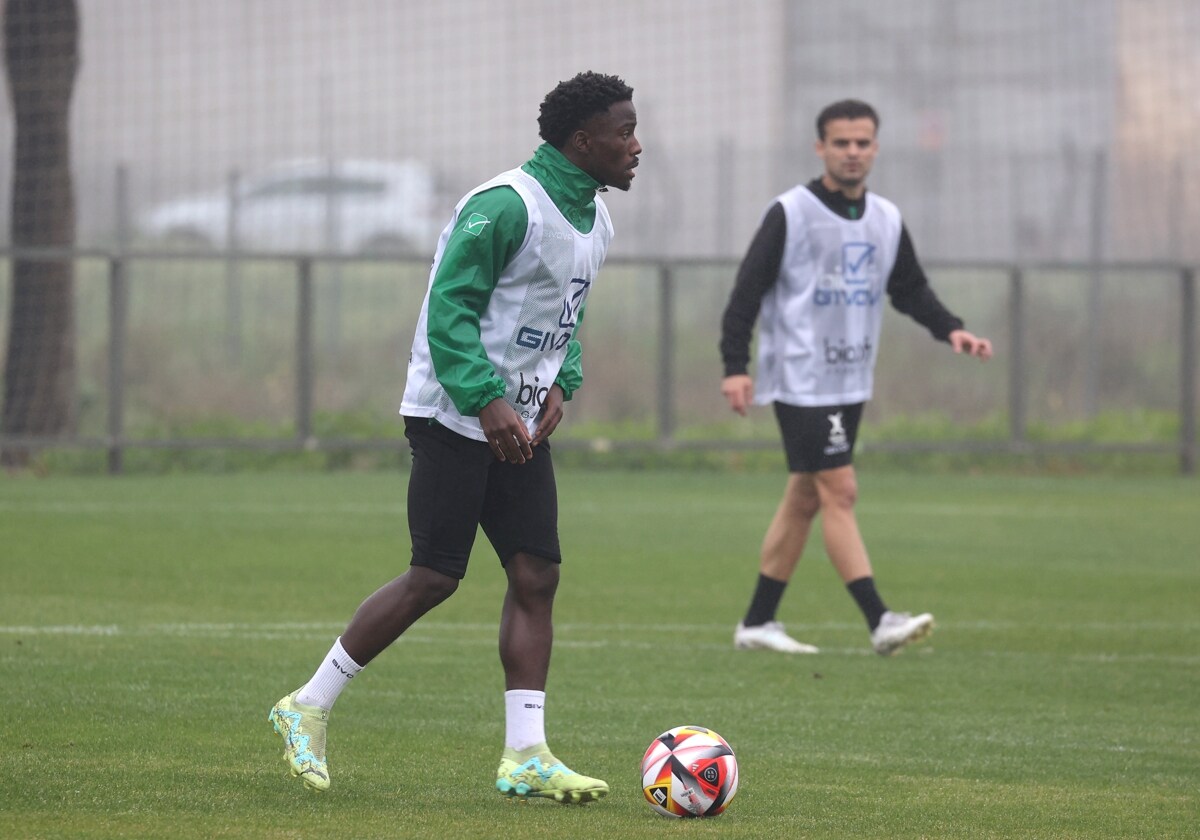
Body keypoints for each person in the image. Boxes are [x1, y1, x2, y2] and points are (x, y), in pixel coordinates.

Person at [269, 71, 641, 802]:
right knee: (435, 575)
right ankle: (306, 705)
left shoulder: (596, 220)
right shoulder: (505, 205)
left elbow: (567, 315)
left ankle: (526, 755)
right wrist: (484, 399)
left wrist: (564, 382)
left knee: (536, 573)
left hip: (520, 420)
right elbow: (450, 310)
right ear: (582, 140)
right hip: (452, 412)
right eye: (625, 131)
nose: (637, 146)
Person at [718, 99, 992, 657]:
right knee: (840, 489)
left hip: (850, 377)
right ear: (820, 147)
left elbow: (909, 288)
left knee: (806, 498)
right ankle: (879, 619)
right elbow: (745, 293)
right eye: (841, 142)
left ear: (875, 147)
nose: (852, 152)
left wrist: (951, 329)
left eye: (862, 142)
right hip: (800, 377)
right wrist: (735, 367)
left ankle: (758, 621)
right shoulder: (791, 212)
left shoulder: (885, 218)